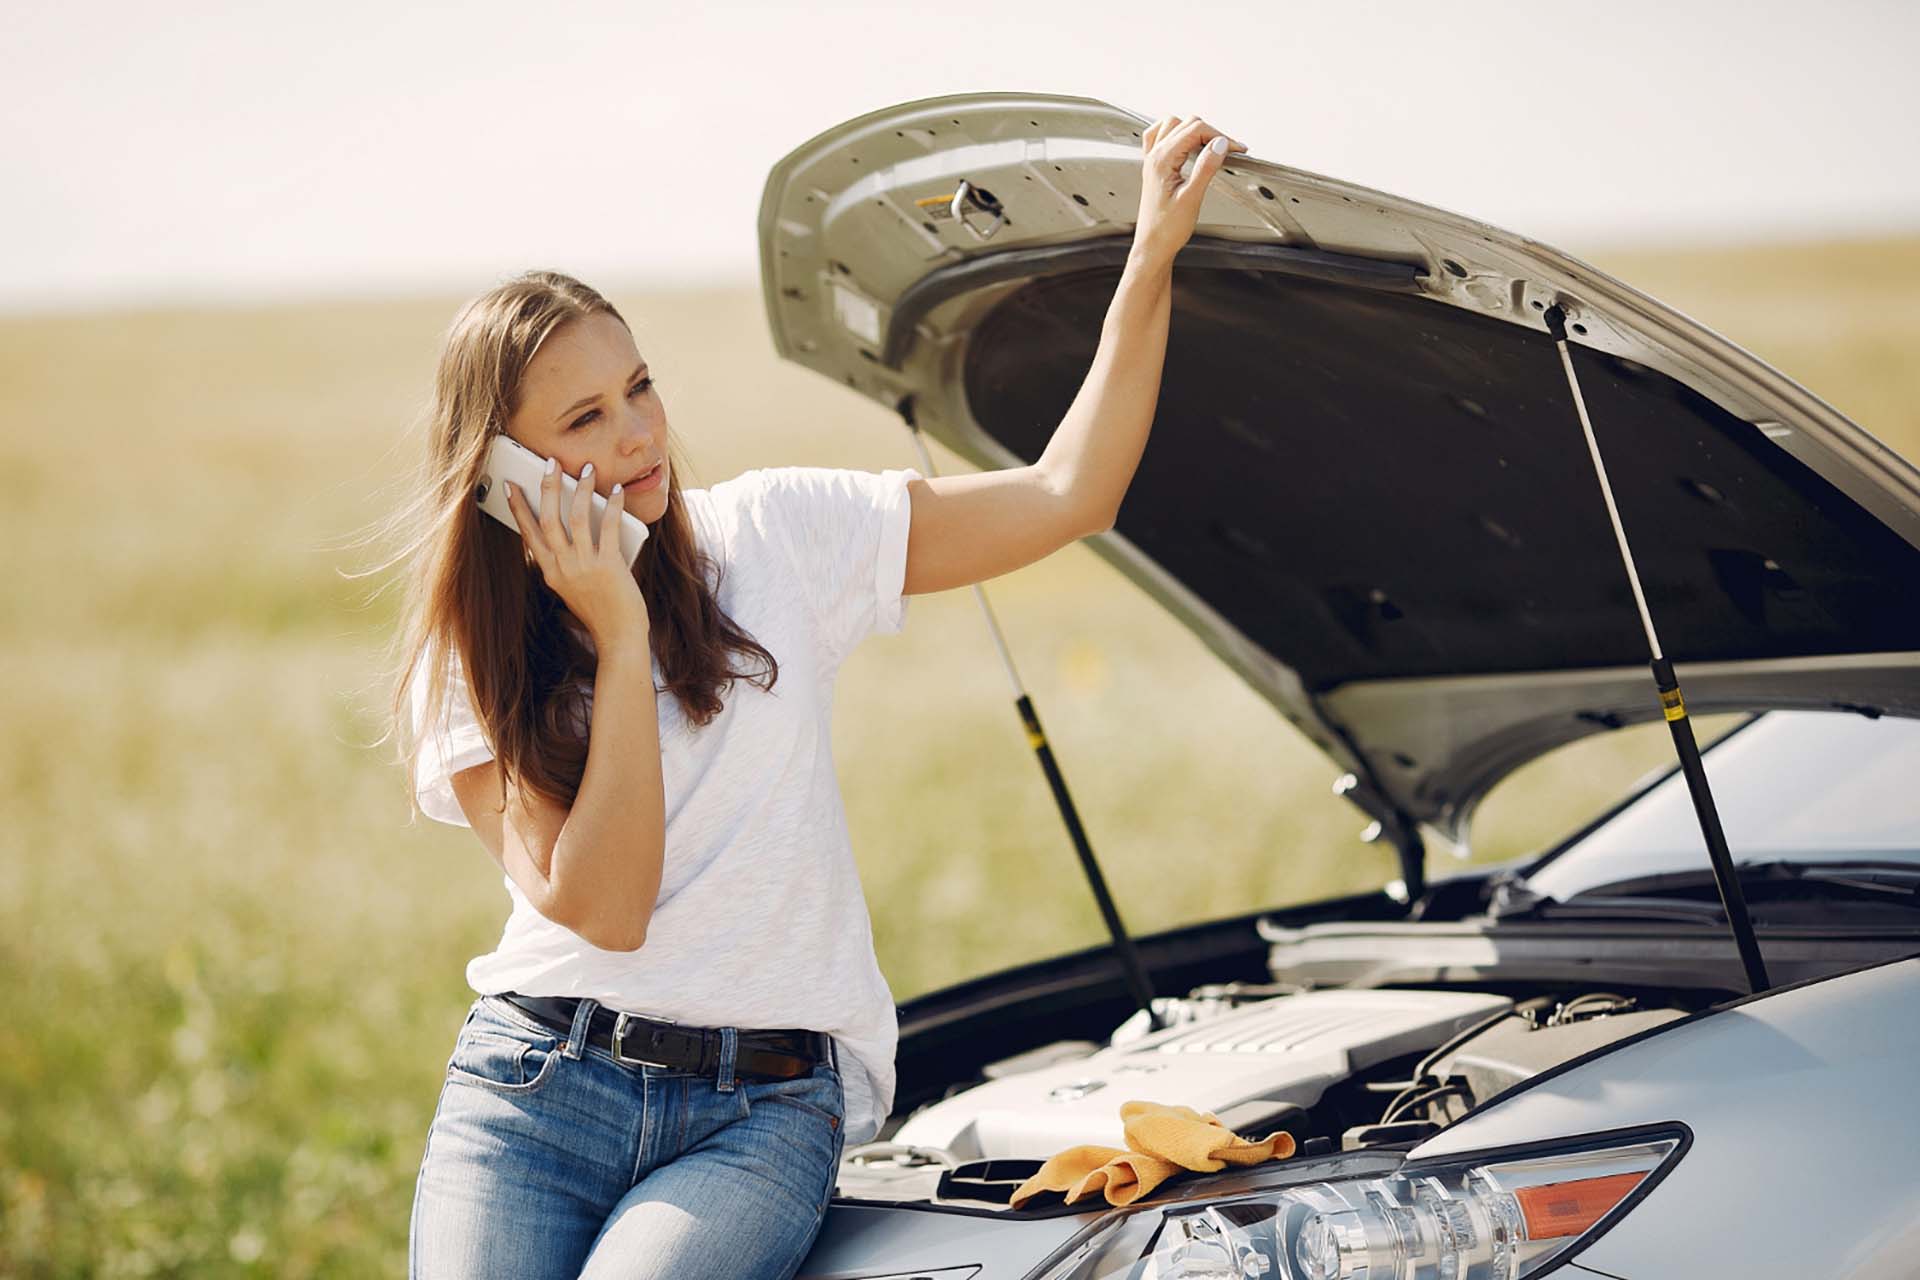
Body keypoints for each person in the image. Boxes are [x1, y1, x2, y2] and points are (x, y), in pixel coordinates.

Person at [393, 114, 1242, 1279]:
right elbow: (607, 903)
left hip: (764, 1109)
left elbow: (1066, 492)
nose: (640, 433)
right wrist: (619, 624)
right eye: (583, 418)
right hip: (538, 1086)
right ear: (503, 472)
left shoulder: (775, 536)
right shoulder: (472, 651)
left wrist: (1150, 255)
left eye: (638, 387)